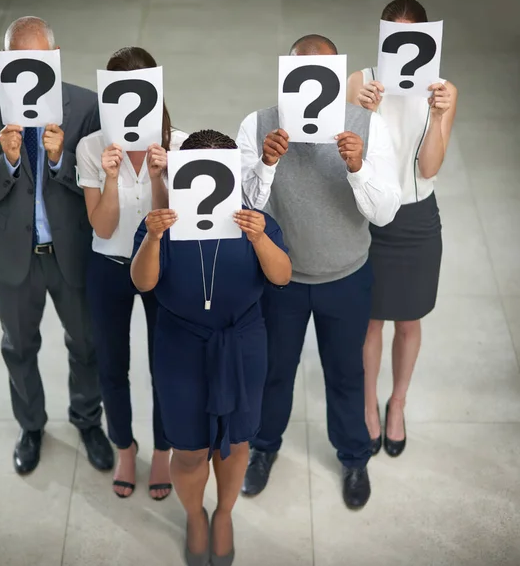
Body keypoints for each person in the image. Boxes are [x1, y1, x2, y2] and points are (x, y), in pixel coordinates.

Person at [237, 34, 402, 510]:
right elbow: (246, 208)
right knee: (273, 372)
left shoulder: (366, 126)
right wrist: (267, 163)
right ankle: (264, 449)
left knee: (347, 373)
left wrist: (357, 167)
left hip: (346, 276)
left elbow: (386, 211)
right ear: (287, 73)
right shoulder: (258, 124)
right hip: (281, 279)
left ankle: (353, 457)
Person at [131, 130, 291, 566]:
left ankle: (223, 513)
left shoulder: (252, 218)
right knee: (189, 447)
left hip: (242, 343)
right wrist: (151, 238)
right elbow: (142, 281)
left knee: (237, 441)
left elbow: (281, 275)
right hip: (181, 346)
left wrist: (260, 239)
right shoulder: (163, 221)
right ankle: (194, 515)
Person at [0, 16, 113, 475]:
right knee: (18, 346)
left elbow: (100, 182)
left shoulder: (86, 106)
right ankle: (31, 427)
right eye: (17, 58)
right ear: (5, 59)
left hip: (71, 253)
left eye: (36, 57)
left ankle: (88, 420)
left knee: (87, 344)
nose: (27, 66)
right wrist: (6, 162)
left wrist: (59, 158)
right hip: (13, 260)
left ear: (54, 56)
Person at [76, 46, 188, 501]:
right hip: (108, 265)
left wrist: (162, 176)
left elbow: (174, 224)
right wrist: (108, 176)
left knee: (165, 366)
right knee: (111, 365)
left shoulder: (179, 145)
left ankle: (162, 449)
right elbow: (102, 226)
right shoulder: (91, 147)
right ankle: (125, 445)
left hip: (161, 265)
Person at [347, 0, 457, 457]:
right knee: (369, 321)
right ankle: (369, 405)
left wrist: (438, 115)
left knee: (408, 321)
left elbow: (429, 167)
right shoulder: (360, 81)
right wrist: (360, 109)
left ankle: (398, 403)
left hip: (415, 218)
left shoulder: (442, 90)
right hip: (369, 214)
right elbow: (343, 152)